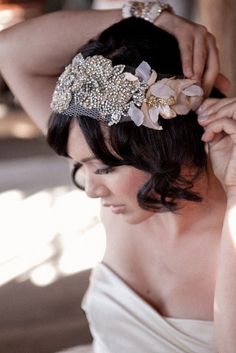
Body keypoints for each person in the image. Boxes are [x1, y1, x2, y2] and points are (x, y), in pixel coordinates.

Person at [0, 2, 235, 353]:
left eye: (105, 167)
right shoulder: (121, 198)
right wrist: (147, 16)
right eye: (81, 165)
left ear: (164, 145)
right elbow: (10, 51)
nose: (92, 190)